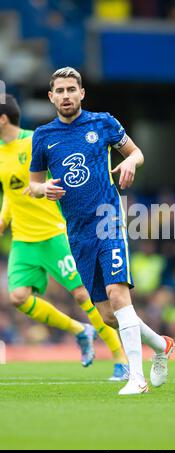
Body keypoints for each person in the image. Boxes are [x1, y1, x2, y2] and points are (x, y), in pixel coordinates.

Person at [29, 66, 175, 395]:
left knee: (117, 294)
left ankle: (136, 378)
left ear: (82, 93)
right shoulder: (43, 136)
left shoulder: (103, 122)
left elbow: (136, 152)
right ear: (51, 97)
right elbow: (33, 185)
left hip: (108, 219)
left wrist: (129, 162)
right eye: (60, 91)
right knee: (108, 315)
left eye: (71, 89)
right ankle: (161, 345)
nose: (66, 95)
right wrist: (43, 191)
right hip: (77, 233)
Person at [0, 94, 129, 380]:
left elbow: (57, 176)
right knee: (19, 297)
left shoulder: (37, 140)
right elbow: (11, 189)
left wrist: (44, 187)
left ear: (3, 119)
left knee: (83, 293)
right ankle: (79, 330)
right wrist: (5, 216)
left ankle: (121, 358)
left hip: (54, 232)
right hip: (23, 239)